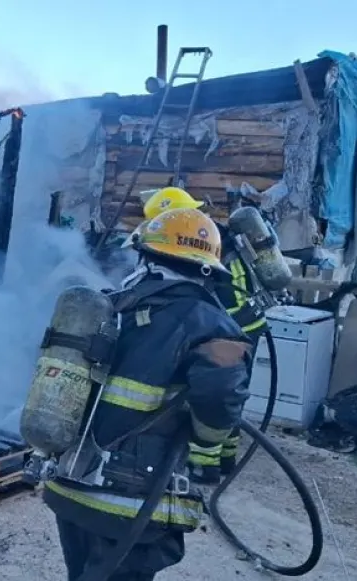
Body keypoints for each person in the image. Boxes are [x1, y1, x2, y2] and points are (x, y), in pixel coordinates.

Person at [46, 207, 253, 580]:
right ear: (206, 268)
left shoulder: (113, 305)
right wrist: (208, 438)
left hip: (72, 485)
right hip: (128, 499)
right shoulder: (211, 324)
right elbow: (219, 407)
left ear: (145, 255)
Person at [132, 187, 268, 482]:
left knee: (210, 390)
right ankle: (227, 458)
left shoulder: (194, 248)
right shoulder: (213, 236)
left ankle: (204, 465)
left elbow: (202, 303)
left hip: (229, 329)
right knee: (233, 392)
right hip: (248, 325)